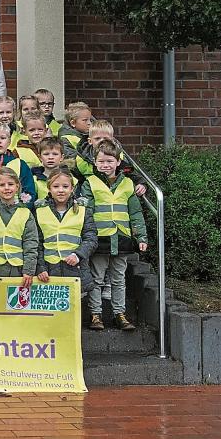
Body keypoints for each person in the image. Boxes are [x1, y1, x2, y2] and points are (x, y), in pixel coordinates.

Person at [80, 140, 149, 331]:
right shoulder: (89, 183)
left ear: (118, 162)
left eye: (110, 161)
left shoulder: (127, 183)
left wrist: (141, 237)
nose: (106, 165)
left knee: (118, 279)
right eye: (101, 161)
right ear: (95, 162)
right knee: (96, 278)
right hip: (99, 239)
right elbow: (86, 212)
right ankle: (95, 314)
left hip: (122, 238)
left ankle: (120, 314)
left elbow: (135, 213)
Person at [34, 168, 96, 294]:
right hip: (49, 271)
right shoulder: (40, 211)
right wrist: (40, 268)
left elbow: (91, 238)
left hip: (76, 269)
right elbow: (36, 243)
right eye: (56, 186)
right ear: (49, 188)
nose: (61, 190)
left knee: (75, 304)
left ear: (72, 188)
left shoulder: (83, 210)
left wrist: (78, 255)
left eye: (65, 186)